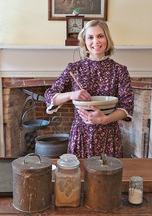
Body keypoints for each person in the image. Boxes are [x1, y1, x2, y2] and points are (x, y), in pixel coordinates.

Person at [44, 20, 134, 158]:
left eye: (100, 36)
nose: (95, 41)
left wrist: (104, 120)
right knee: (79, 177)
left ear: (107, 39)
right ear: (84, 42)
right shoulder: (74, 69)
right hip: (81, 135)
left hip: (109, 136)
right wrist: (71, 95)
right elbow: (49, 96)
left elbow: (126, 107)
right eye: (90, 37)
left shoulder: (120, 70)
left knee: (108, 177)